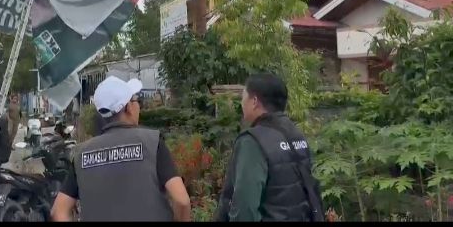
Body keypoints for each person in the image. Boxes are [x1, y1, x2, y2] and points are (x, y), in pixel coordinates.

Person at [51, 76, 191, 222]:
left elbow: (59, 212)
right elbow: (182, 200)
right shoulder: (152, 143)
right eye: (136, 100)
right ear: (128, 107)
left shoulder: (82, 155)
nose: (138, 106)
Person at [215, 73, 324, 222]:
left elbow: (245, 207)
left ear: (254, 101)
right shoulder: (296, 134)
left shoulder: (252, 141)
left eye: (243, 98)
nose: (242, 104)